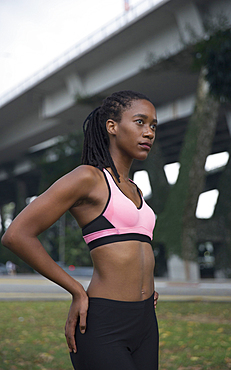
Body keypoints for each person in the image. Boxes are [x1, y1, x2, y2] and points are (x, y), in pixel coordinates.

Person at [1, 90, 159, 370]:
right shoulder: (88, 178)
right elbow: (16, 235)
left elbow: (135, 249)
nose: (149, 132)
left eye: (153, 126)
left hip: (146, 321)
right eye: (140, 122)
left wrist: (147, 285)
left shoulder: (135, 189)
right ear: (112, 126)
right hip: (104, 323)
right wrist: (76, 290)